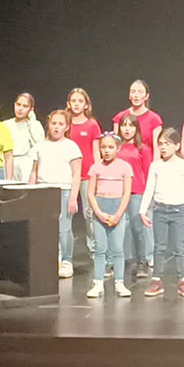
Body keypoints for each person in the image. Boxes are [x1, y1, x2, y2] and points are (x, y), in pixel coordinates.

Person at [140, 128, 184, 298]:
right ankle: (156, 280)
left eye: (167, 143)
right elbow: (149, 189)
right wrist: (143, 211)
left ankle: (183, 280)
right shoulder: (156, 166)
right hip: (160, 210)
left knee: (180, 246)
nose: (163, 147)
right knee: (159, 246)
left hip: (178, 210)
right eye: (161, 144)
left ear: (177, 145)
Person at [28, 109, 82, 278]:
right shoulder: (40, 146)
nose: (56, 127)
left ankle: (66, 260)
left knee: (63, 229)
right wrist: (30, 192)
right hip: (43, 190)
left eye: (60, 124)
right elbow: (34, 172)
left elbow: (76, 174)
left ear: (67, 127)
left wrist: (73, 197)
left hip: (63, 191)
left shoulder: (71, 147)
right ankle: (50, 259)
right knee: (44, 228)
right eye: (53, 123)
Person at [86, 133, 133, 299]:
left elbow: (127, 193)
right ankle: (98, 283)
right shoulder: (95, 168)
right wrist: (99, 213)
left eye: (111, 147)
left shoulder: (125, 167)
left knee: (117, 248)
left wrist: (118, 215)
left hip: (117, 208)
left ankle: (119, 282)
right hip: (101, 207)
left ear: (118, 148)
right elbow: (90, 193)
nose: (106, 151)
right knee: (100, 248)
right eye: (103, 147)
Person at [116, 114, 154, 279]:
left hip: (136, 191)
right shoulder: (116, 148)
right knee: (118, 228)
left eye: (131, 125)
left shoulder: (143, 149)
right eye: (124, 125)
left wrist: (148, 196)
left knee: (137, 228)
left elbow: (148, 173)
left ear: (136, 129)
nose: (127, 129)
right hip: (117, 192)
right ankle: (118, 261)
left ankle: (142, 262)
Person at [67, 88, 102, 257]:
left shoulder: (92, 124)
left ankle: (94, 248)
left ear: (86, 105)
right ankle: (64, 251)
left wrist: (98, 172)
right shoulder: (65, 123)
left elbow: (96, 151)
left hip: (87, 174)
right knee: (66, 212)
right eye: (73, 101)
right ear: (68, 103)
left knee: (89, 213)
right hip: (67, 174)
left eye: (80, 101)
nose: (76, 104)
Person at [112, 79, 164, 150]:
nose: (136, 95)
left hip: (146, 155)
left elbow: (157, 148)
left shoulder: (154, 119)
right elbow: (115, 145)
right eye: (133, 92)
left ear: (146, 96)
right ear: (129, 96)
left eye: (140, 92)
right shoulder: (120, 117)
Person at [6, 93, 45, 182]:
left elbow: (38, 143)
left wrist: (32, 120)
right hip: (8, 163)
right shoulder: (6, 124)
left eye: (25, 106)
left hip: (26, 164)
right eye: (18, 104)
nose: (20, 108)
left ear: (31, 109)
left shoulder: (35, 125)